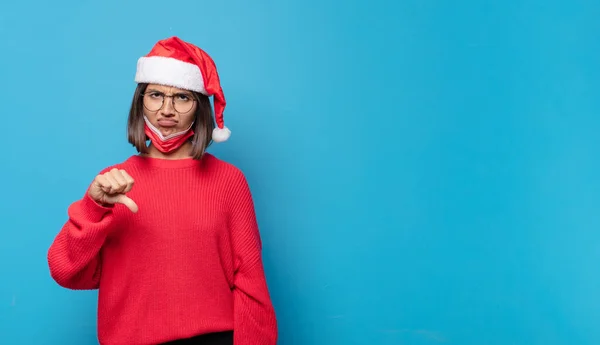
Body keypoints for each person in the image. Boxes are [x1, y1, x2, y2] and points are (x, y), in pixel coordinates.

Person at [47, 36, 278, 345]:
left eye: (182, 98)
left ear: (199, 108)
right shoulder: (112, 183)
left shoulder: (228, 180)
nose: (166, 110)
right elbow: (66, 271)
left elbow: (250, 281)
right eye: (156, 95)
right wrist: (93, 207)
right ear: (140, 101)